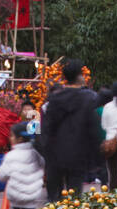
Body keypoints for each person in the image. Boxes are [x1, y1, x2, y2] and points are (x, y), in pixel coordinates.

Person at [38, 60, 100, 199]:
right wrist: (95, 158)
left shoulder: (54, 99)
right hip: (78, 155)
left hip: (55, 155)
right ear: (79, 77)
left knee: (54, 199)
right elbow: (93, 129)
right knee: (74, 199)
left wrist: (45, 152)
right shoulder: (88, 99)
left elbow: (46, 129)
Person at [0, 120, 45, 209]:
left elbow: (1, 176)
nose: (10, 138)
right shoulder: (36, 155)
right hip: (32, 197)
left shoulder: (10, 156)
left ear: (20, 139)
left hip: (15, 197)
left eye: (12, 136)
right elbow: (43, 166)